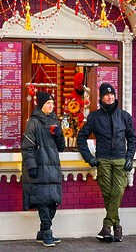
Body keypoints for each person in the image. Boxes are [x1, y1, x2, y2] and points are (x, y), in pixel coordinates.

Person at [77, 83, 136, 242]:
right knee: (108, 194)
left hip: (120, 159)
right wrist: (89, 158)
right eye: (106, 95)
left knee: (117, 192)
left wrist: (129, 157)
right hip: (102, 160)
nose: (110, 97)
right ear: (101, 97)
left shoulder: (124, 116)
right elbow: (81, 138)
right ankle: (116, 228)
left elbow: (132, 139)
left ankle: (107, 226)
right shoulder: (94, 117)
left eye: (112, 94)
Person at [21, 91, 65, 247]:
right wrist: (31, 166)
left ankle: (41, 232)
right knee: (44, 202)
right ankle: (47, 233)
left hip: (53, 167)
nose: (51, 106)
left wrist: (60, 136)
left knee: (53, 201)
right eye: (48, 103)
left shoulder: (55, 121)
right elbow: (27, 147)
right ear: (41, 105)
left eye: (52, 103)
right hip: (39, 167)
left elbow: (61, 148)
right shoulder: (33, 122)